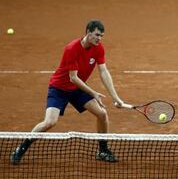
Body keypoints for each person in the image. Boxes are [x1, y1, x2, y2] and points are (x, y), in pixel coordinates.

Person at [11, 20, 130, 164]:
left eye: (102, 36)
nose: (99, 39)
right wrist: (93, 93)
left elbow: (104, 71)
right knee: (49, 122)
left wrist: (116, 98)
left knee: (102, 114)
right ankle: (22, 148)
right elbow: (73, 78)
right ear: (88, 32)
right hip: (59, 89)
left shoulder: (98, 48)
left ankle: (103, 150)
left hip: (78, 89)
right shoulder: (71, 48)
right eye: (97, 35)